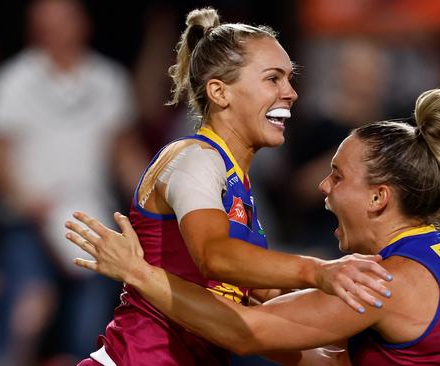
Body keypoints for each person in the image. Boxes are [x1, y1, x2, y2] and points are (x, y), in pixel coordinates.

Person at [67, 87, 440, 365]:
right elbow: (325, 359)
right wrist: (255, 295)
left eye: (338, 175)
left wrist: (137, 272)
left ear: (378, 198)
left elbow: (244, 333)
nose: (324, 186)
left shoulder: (386, 282)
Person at [65, 7, 391, 366]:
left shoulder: (236, 181)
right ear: (220, 92)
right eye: (273, 78)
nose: (291, 93)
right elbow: (214, 257)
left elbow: (243, 321)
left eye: (290, 78)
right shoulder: (195, 159)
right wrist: (319, 271)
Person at [0, 0, 142, 361]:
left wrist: (150, 206)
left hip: (90, 217)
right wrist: (25, 200)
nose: (52, 31)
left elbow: (125, 153)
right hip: (26, 218)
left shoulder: (108, 80)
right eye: (43, 24)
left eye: (61, 21)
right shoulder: (12, 81)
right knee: (29, 309)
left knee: (92, 314)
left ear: (82, 23)